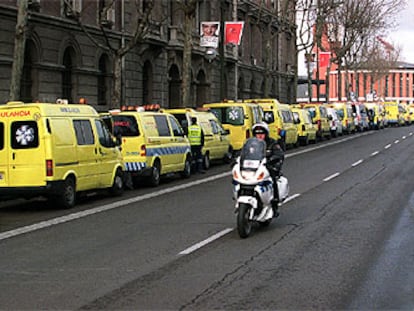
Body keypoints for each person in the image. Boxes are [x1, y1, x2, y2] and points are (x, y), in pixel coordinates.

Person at [252, 122, 285, 216]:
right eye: (257, 134)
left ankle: (275, 202)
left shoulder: (272, 143)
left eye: (261, 134)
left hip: (268, 167)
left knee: (273, 178)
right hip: (254, 168)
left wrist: (273, 159)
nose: (259, 136)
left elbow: (279, 154)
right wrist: (236, 160)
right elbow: (242, 152)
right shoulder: (251, 143)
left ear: (266, 134)